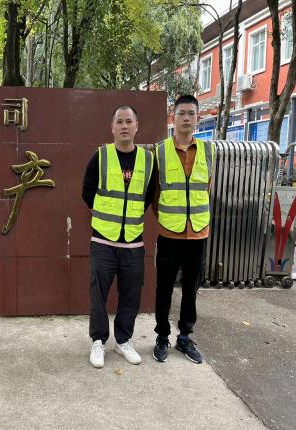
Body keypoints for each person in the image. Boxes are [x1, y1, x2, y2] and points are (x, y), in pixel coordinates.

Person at [82, 105, 154, 369]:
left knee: (131, 294)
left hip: (133, 241)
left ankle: (123, 340)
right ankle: (98, 341)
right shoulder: (100, 156)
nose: (124, 126)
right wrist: (105, 217)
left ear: (136, 126)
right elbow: (87, 192)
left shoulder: (148, 160)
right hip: (103, 240)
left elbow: (148, 196)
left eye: (129, 121)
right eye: (120, 122)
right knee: (98, 294)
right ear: (112, 127)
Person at [152, 94, 214, 364]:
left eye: (191, 113)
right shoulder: (160, 151)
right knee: (164, 288)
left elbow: (207, 189)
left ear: (198, 118)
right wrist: (168, 218)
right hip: (169, 233)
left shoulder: (209, 151)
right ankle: (162, 336)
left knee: (191, 288)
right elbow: (155, 194)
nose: (186, 118)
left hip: (198, 232)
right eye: (181, 113)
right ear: (173, 117)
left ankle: (185, 337)